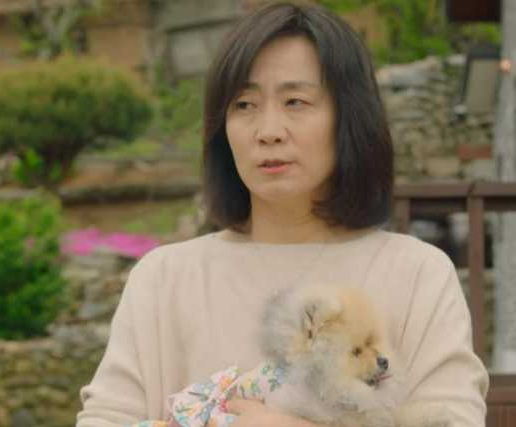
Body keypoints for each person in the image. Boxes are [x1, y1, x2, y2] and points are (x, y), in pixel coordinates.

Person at [76, 2, 489, 427]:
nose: (268, 131)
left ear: (349, 118)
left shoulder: (417, 273)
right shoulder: (164, 278)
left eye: (296, 101)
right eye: (244, 104)